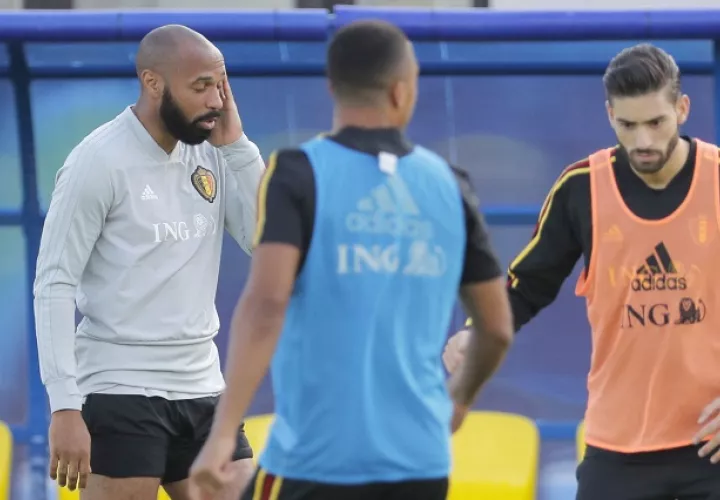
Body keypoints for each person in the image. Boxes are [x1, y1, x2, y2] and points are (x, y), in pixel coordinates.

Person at [187, 19, 514, 500]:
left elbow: (265, 307)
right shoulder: (451, 184)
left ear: (332, 88)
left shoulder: (297, 174)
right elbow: (496, 328)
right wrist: (460, 400)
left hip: (316, 460)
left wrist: (223, 433)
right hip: (420, 461)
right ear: (402, 91)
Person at [442, 43, 720, 499]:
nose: (643, 141)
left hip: (711, 448)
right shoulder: (581, 188)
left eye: (656, 122)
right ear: (609, 115)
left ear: (682, 109)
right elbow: (527, 284)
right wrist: (478, 330)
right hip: (619, 448)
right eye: (628, 125)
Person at [33, 24, 265, 500]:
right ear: (153, 82)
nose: (215, 101)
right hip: (121, 388)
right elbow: (54, 283)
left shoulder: (215, 152)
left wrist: (238, 148)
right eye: (200, 87)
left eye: (220, 86)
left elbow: (266, 242)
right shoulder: (97, 161)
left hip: (202, 388)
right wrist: (64, 406)